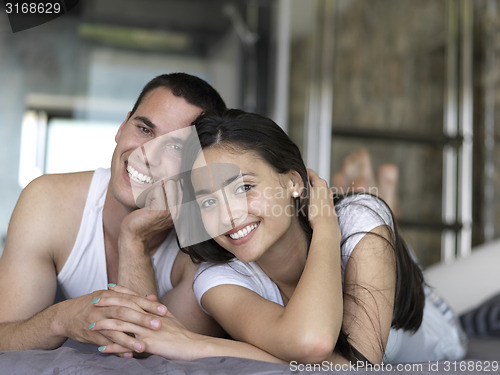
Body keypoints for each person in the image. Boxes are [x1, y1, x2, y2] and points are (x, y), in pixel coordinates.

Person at [98, 109, 467, 364]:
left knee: (368, 216)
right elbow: (313, 351)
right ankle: (363, 193)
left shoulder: (353, 219)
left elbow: (353, 366)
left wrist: (325, 227)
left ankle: (372, 196)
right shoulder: (216, 274)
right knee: (367, 224)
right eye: (207, 200)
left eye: (243, 187)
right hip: (331, 224)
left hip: (436, 321)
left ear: (293, 182)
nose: (228, 216)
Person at [0, 73, 228, 356]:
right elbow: (4, 335)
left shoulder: (206, 245)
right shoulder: (47, 202)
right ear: (122, 126)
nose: (146, 155)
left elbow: (145, 355)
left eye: (173, 147)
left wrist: (134, 239)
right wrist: (59, 319)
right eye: (144, 129)